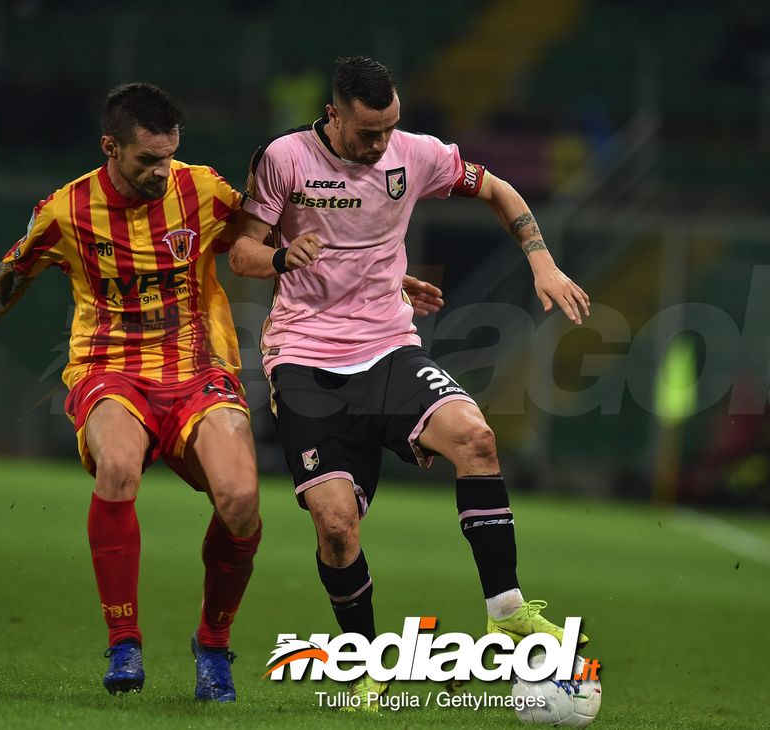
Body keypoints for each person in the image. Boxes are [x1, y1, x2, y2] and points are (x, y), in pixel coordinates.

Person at [229, 56, 591, 709]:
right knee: (336, 526)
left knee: (476, 437)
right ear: (333, 115)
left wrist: (541, 262)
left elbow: (498, 190)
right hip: (305, 359)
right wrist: (283, 256)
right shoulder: (285, 158)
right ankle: (365, 665)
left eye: (390, 128)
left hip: (388, 347)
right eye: (368, 132)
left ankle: (506, 610)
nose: (380, 144)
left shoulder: (414, 154)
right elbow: (243, 252)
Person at [0, 83, 263, 702]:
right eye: (147, 159)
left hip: (199, 370)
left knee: (242, 501)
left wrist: (377, 280)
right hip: (109, 368)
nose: (162, 170)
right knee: (117, 467)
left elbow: (263, 239)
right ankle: (124, 642)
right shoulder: (67, 209)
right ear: (110, 147)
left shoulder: (201, 189)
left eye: (169, 156)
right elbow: (8, 277)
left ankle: (213, 644)